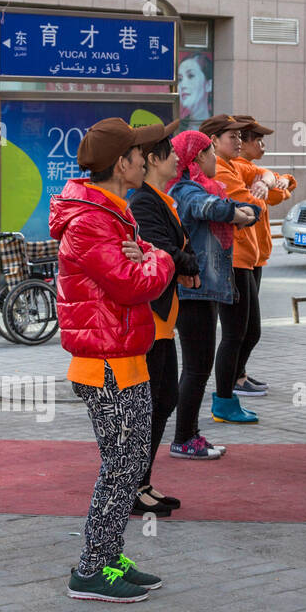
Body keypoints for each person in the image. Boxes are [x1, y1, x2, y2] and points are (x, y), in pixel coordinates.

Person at [50, 117, 174, 603]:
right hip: (104, 364)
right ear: (122, 164)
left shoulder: (113, 212)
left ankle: (108, 556)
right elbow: (135, 282)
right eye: (139, 153)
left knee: (130, 461)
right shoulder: (92, 221)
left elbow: (137, 263)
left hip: (124, 357)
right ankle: (89, 569)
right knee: (121, 466)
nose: (146, 158)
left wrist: (146, 254)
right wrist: (158, 257)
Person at [166, 130, 259, 456]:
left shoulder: (202, 187)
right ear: (195, 159)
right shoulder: (185, 190)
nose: (213, 160)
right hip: (193, 292)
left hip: (204, 291)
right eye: (208, 153)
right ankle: (184, 438)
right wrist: (237, 213)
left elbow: (244, 208)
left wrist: (243, 211)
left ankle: (189, 434)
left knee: (197, 367)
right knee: (195, 368)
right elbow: (214, 209)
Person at [126, 121, 195, 517]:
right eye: (169, 153)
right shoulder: (143, 201)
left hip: (163, 319)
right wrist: (186, 262)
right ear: (151, 159)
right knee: (153, 402)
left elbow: (168, 250)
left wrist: (183, 261)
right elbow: (162, 250)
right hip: (150, 322)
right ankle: (133, 485)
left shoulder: (157, 198)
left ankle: (143, 482)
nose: (175, 159)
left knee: (163, 399)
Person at [200, 114, 268, 424]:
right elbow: (250, 208)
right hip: (231, 261)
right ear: (212, 142)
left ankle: (227, 398)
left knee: (246, 331)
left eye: (241, 137)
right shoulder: (222, 172)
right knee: (234, 334)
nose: (239, 142)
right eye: (233, 137)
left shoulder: (235, 165)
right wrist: (256, 195)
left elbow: (277, 184)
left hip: (244, 259)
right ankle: (224, 401)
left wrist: (264, 182)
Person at [231, 114, 296, 396]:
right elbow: (270, 193)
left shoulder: (250, 170)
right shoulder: (236, 168)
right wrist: (268, 183)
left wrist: (269, 181)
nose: (263, 145)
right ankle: (232, 381)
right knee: (244, 329)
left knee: (247, 328)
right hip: (240, 257)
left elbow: (286, 186)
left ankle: (239, 375)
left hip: (254, 255)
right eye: (257, 139)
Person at [177, 52, 213, 131]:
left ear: (208, 85)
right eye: (180, 79)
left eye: (191, 76)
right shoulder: (177, 128)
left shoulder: (217, 128)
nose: (182, 85)